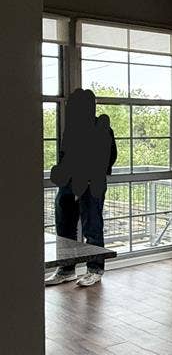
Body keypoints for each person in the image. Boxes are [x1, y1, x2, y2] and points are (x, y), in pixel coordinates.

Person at [44, 89, 117, 287]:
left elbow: (109, 157)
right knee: (64, 227)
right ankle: (66, 269)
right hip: (68, 184)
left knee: (92, 227)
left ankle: (95, 270)